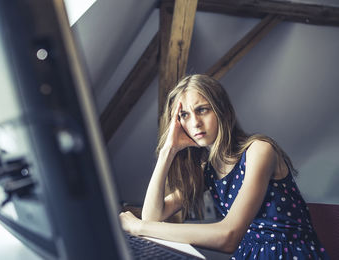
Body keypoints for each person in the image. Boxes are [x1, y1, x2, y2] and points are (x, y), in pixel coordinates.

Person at [119, 74, 329, 259]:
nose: (195, 123)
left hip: (288, 254)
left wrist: (140, 227)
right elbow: (152, 216)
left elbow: (228, 236)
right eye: (184, 115)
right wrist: (168, 151)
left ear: (223, 111)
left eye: (202, 110)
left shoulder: (259, 150)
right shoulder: (207, 168)